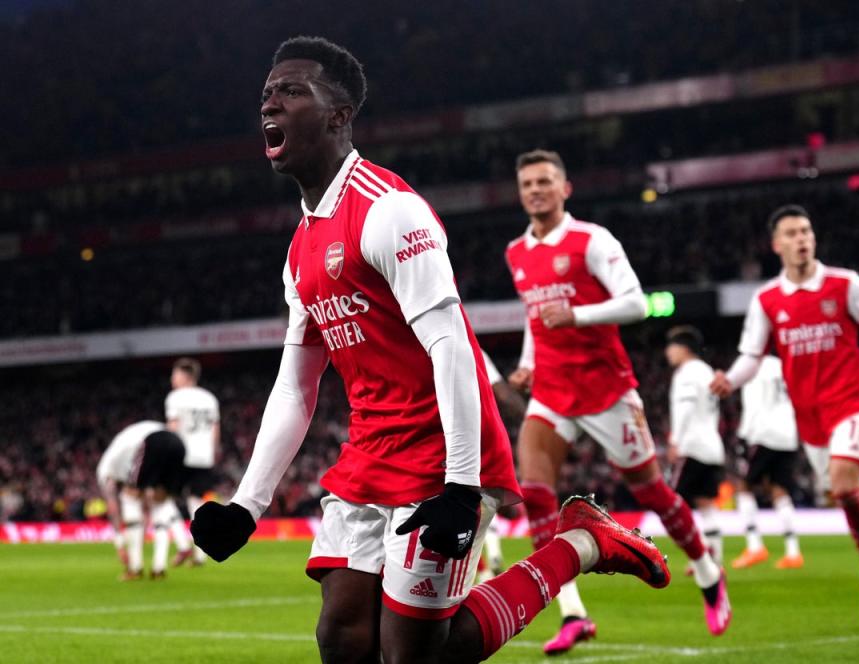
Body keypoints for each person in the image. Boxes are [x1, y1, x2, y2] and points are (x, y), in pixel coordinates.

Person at [189, 37, 670, 664]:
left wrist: (462, 487)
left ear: (338, 115)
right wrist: (247, 507)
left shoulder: (390, 212)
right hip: (370, 451)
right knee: (340, 639)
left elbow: (451, 346)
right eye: (265, 94)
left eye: (290, 91)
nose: (269, 104)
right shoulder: (301, 248)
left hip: (442, 452)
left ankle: (580, 544)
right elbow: (296, 385)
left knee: (414, 656)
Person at [505, 149, 730, 651]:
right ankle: (572, 612)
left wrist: (580, 315)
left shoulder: (592, 240)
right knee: (535, 493)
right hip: (553, 392)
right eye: (527, 184)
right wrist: (529, 362)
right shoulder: (516, 252)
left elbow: (636, 300)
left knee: (652, 491)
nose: (536, 190)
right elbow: (534, 316)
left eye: (545, 181)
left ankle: (709, 571)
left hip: (606, 389)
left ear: (565, 189)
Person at [710, 204, 859, 629]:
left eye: (806, 231)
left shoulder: (844, 284)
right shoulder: (767, 300)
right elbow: (751, 356)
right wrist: (729, 380)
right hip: (811, 418)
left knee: (843, 483)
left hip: (854, 402)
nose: (802, 239)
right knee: (849, 496)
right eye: (792, 233)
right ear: (776, 244)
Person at [731, 353, 804, 570]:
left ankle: (755, 546)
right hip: (787, 434)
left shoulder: (752, 366)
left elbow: (753, 404)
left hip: (762, 433)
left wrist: (744, 435)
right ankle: (793, 552)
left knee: (743, 486)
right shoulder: (784, 366)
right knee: (779, 489)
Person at [664, 326, 726, 568]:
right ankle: (715, 558)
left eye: (671, 347)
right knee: (706, 504)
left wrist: (675, 441)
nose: (668, 353)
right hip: (712, 445)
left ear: (683, 348)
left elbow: (686, 408)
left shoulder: (686, 373)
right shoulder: (707, 371)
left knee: (672, 504)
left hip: (691, 445)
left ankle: (700, 555)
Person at [96, 420, 187, 580]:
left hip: (152, 443)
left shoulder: (106, 470)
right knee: (160, 502)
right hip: (178, 444)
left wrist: (120, 544)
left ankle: (135, 568)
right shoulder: (122, 450)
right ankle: (159, 567)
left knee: (129, 497)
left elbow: (113, 508)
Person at [476, 349, 527, 582]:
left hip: (436, 433)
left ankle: (483, 568)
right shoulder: (467, 341)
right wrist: (531, 419)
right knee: (484, 496)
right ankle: (491, 557)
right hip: (478, 431)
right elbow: (503, 395)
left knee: (456, 502)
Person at [165, 357, 220, 566]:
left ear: (185, 376)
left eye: (175, 374)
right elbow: (215, 430)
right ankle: (200, 553)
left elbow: (173, 427)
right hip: (204, 457)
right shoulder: (210, 398)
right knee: (196, 504)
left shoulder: (175, 398)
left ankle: (182, 544)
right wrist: (213, 453)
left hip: (182, 455)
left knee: (164, 500)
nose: (172, 378)